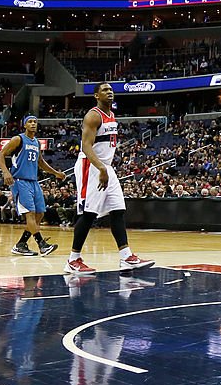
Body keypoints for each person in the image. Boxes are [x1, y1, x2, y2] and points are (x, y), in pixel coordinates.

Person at [65, 82, 154, 275]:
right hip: (91, 166)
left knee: (118, 209)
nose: (110, 92)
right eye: (105, 90)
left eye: (111, 90)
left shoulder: (111, 115)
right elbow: (86, 147)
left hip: (106, 167)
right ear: (96, 95)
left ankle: (126, 257)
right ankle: (73, 260)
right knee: (88, 213)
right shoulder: (93, 115)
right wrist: (100, 168)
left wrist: (105, 168)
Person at [0, 115, 65, 256]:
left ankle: (21, 244)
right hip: (20, 181)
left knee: (40, 214)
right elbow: (0, 155)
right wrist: (6, 172)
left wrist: (55, 173)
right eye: (30, 122)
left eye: (35, 122)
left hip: (33, 181)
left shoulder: (37, 143)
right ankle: (42, 245)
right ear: (25, 125)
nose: (33, 124)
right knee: (30, 215)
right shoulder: (18, 139)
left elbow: (40, 162)